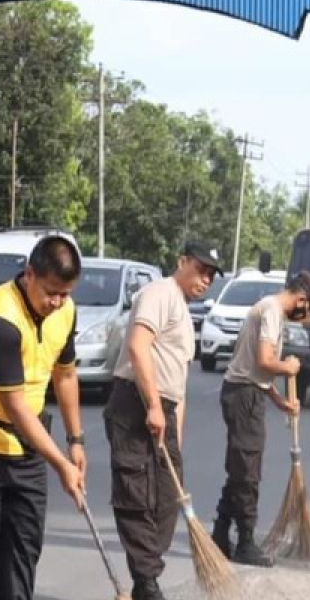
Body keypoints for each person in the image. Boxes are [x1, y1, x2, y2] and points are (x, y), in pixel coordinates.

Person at [0, 235, 87, 600]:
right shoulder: (0, 316)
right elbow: (16, 407)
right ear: (30, 274)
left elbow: (66, 374)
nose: (56, 303)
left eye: (65, 294)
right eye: (51, 292)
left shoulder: (65, 311)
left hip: (25, 447)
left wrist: (76, 440)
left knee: (23, 550)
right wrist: (61, 465)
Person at [105, 242, 222, 600]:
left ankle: (147, 575)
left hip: (165, 409)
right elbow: (139, 347)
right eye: (200, 270)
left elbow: (180, 383)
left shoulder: (186, 313)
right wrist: (153, 406)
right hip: (135, 402)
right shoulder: (160, 293)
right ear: (181, 261)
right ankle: (147, 583)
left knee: (168, 498)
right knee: (136, 495)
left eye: (211, 276)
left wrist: (174, 428)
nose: (205, 280)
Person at [212, 270, 310, 566]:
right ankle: (245, 542)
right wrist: (288, 368)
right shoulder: (272, 311)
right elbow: (263, 361)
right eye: (307, 307)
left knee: (240, 467)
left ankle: (220, 535)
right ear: (301, 298)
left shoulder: (267, 308)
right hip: (243, 395)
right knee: (248, 471)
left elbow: (257, 372)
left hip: (247, 391)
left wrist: (280, 401)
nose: (305, 314)